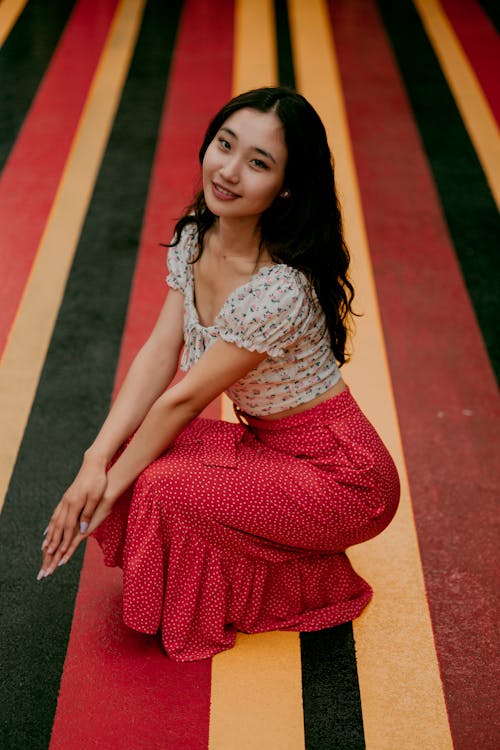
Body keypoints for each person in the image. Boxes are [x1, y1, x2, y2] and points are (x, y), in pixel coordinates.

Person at [39, 87, 400, 662]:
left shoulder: (277, 289)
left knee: (160, 481)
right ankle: (283, 555)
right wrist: (95, 459)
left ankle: (312, 581)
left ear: (285, 186)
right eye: (224, 145)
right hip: (271, 448)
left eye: (258, 163)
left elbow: (180, 404)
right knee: (134, 446)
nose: (228, 171)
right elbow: (160, 350)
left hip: (345, 479)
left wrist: (105, 492)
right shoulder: (195, 234)